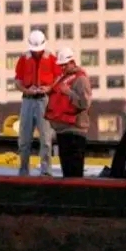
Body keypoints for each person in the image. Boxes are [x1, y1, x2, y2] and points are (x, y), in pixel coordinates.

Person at [13, 29, 60, 176]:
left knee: (46, 139)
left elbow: (58, 78)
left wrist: (49, 88)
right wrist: (27, 90)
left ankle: (46, 172)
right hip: (28, 100)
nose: (37, 52)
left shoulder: (51, 58)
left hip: (44, 100)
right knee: (24, 139)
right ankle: (23, 171)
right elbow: (17, 81)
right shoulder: (23, 59)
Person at [44, 47, 92, 178]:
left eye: (65, 65)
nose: (63, 68)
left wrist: (69, 92)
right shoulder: (62, 79)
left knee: (75, 172)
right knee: (67, 172)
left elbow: (85, 103)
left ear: (72, 62)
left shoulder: (81, 79)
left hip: (75, 131)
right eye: (61, 65)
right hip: (62, 130)